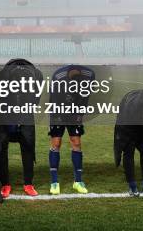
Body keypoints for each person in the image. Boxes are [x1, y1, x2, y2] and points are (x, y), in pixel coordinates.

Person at [0, 59, 43, 198]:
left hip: (25, 114)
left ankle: (28, 183)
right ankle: (5, 184)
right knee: (1, 149)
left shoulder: (37, 76)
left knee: (28, 148)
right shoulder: (1, 76)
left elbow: (36, 101)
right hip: (4, 115)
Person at [48, 64, 95, 195]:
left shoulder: (89, 75)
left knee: (76, 142)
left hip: (75, 109)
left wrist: (80, 113)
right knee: (56, 143)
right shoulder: (58, 77)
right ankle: (54, 182)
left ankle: (78, 182)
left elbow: (86, 96)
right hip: (58, 108)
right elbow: (53, 99)